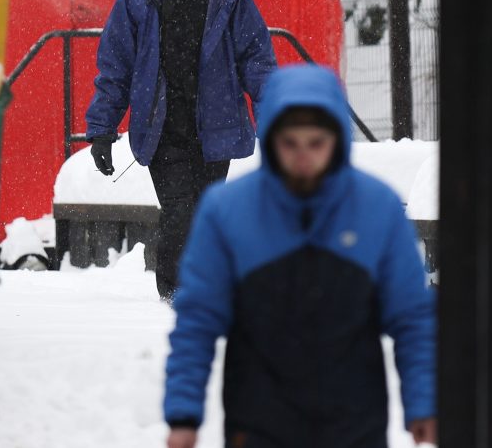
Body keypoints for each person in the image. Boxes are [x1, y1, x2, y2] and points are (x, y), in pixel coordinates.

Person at [164, 64, 437, 448]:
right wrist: (183, 414)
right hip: (258, 423)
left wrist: (423, 402)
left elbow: (411, 316)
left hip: (354, 424)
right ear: (272, 139)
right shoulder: (227, 212)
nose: (303, 156)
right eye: (290, 143)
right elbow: (198, 320)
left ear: (337, 140)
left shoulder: (378, 209)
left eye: (316, 143)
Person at [85, 0, 276, 299]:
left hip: (215, 123)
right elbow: (115, 66)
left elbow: (256, 57)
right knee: (179, 212)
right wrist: (102, 129)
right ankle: (173, 294)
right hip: (162, 125)